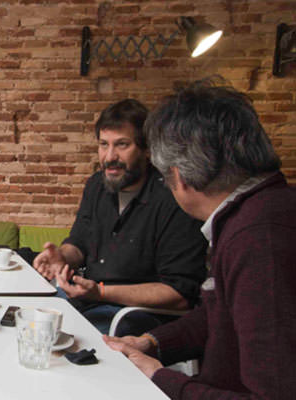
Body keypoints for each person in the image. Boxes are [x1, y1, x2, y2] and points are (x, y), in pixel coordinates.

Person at [104, 80, 296, 398]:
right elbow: (219, 314)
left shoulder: (259, 241)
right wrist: (150, 342)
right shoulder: (259, 211)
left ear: (177, 176)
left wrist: (161, 378)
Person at [33, 99, 207, 335]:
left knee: (56, 342)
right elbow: (80, 242)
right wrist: (62, 257)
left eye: (122, 145)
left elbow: (179, 294)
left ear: (147, 150)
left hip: (136, 316)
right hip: (89, 301)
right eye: (103, 144)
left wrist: (101, 292)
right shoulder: (97, 185)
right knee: (28, 321)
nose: (109, 156)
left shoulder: (173, 196)